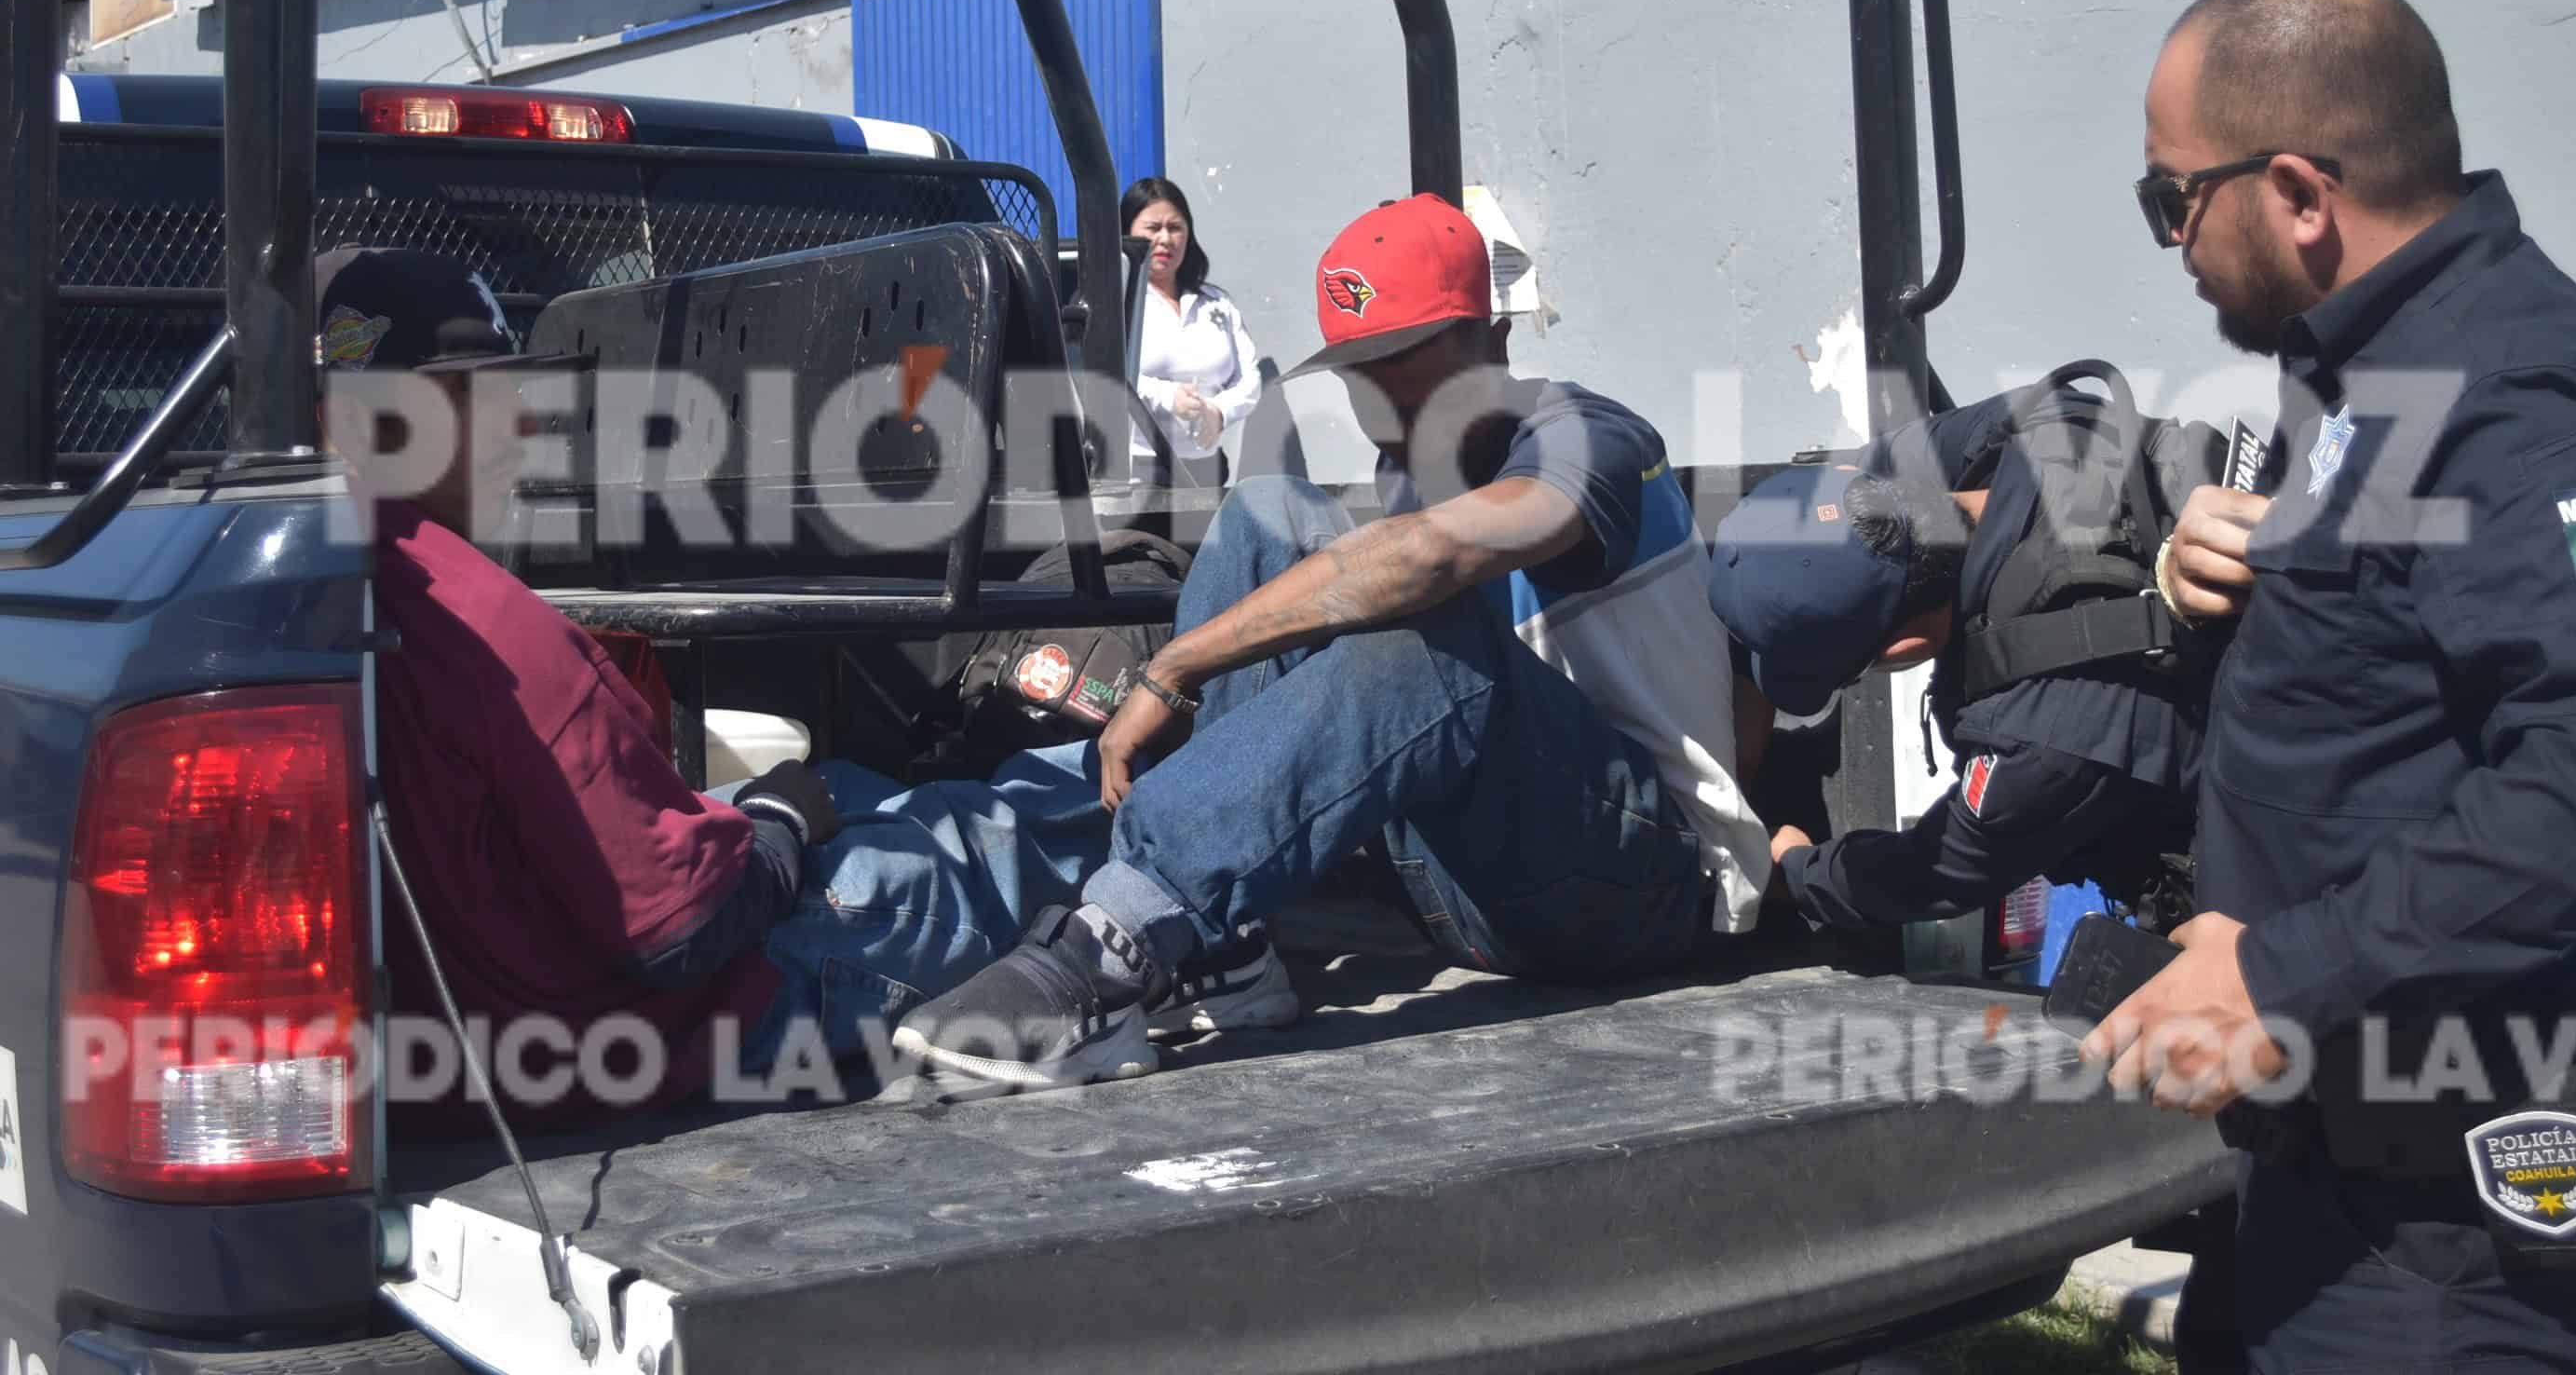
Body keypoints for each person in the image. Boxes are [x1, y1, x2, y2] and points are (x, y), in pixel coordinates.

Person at [2083, 0, 2576, 1373]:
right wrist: (2230, 587)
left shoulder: (2522, 406)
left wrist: (2285, 974)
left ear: (2302, 195)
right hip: (2328, 1178)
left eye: (2171, 199)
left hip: (2450, 1241)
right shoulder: (2380, 381)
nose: (2172, 242)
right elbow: (2401, 692)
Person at [314, 247, 1251, 1128]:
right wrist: (778, 824)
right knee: (980, 828)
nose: (524, 423)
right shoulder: (496, 629)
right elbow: (680, 927)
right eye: (488, 395)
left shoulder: (309, 580)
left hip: (473, 1037)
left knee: (851, 790)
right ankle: (1217, 820)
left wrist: (777, 813)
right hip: (675, 1021)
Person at [895, 193, 1767, 1096]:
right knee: (1272, 511)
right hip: (1466, 869)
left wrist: (1176, 666)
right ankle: (1223, 950)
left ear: (1493, 342)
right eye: (1358, 367)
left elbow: (1434, 559)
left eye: (1404, 360)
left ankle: (1114, 942)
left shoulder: (1590, 437)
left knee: (1428, 632)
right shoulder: (1407, 469)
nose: (1382, 394)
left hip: (1636, 881)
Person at [1709, 380, 2218, 938]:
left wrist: (1797, 869)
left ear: (1904, 650)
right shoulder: (2030, 425)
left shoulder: (2042, 735)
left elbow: (1933, 872)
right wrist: (1736, 779)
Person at [1125, 176, 1262, 484]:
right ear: (1127, 233)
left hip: (1206, 467)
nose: (1165, 239)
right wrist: (1167, 396)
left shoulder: (1216, 302)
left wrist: (1219, 412)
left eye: (1175, 228)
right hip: (1138, 469)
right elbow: (1101, 372)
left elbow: (1249, 378)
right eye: (1152, 228)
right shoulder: (1115, 302)